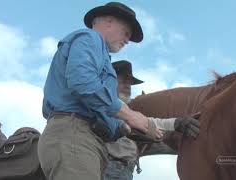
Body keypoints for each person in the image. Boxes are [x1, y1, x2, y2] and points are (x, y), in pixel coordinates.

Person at [38, 2, 158, 180]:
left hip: (80, 136)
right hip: (75, 134)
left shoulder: (98, 51)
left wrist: (121, 127)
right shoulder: (89, 38)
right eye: (126, 33)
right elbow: (84, 83)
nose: (127, 40)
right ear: (109, 21)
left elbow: (94, 104)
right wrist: (130, 115)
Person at [104, 60, 200, 180]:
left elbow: (148, 125)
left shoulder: (128, 111)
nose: (128, 86)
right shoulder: (102, 103)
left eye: (130, 83)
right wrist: (175, 124)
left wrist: (180, 131)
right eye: (123, 81)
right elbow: (146, 123)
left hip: (125, 171)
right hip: (107, 167)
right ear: (109, 80)